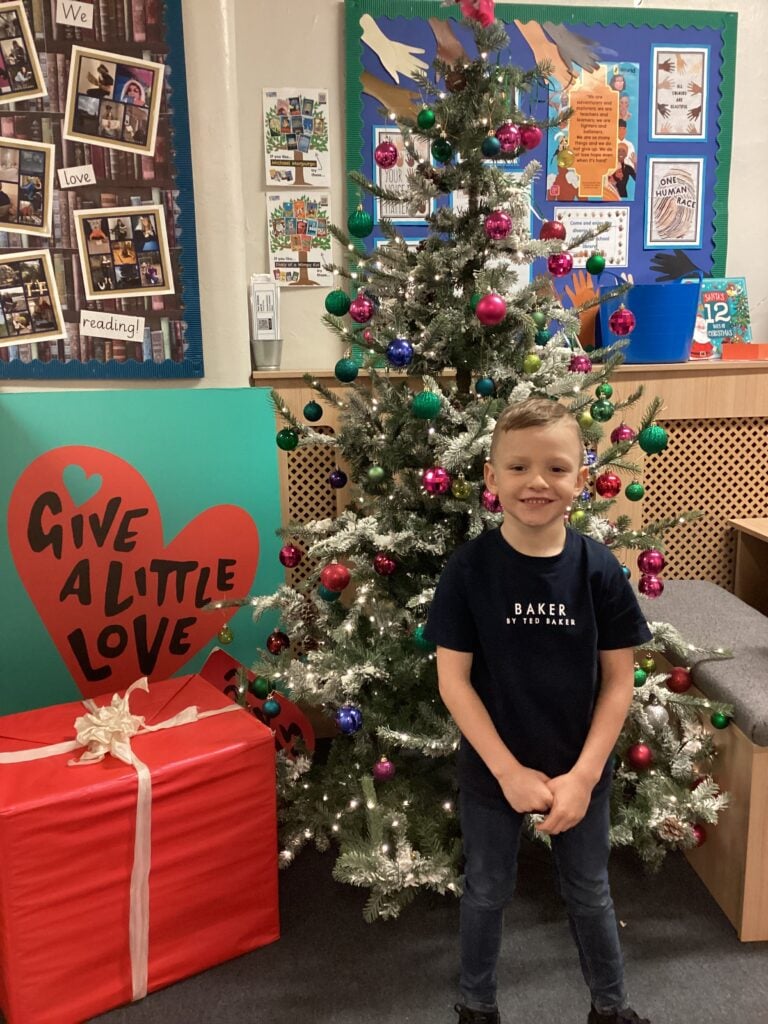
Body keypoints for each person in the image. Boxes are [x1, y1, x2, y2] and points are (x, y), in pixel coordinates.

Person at [425, 399, 653, 1024]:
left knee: (589, 893)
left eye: (555, 468)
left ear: (582, 479)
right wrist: (505, 772)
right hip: (494, 773)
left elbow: (618, 683)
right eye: (518, 467)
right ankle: (476, 1006)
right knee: (486, 890)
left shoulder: (600, 570)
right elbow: (454, 682)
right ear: (491, 481)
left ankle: (611, 1008)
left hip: (582, 772)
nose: (536, 482)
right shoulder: (468, 571)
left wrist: (582, 776)